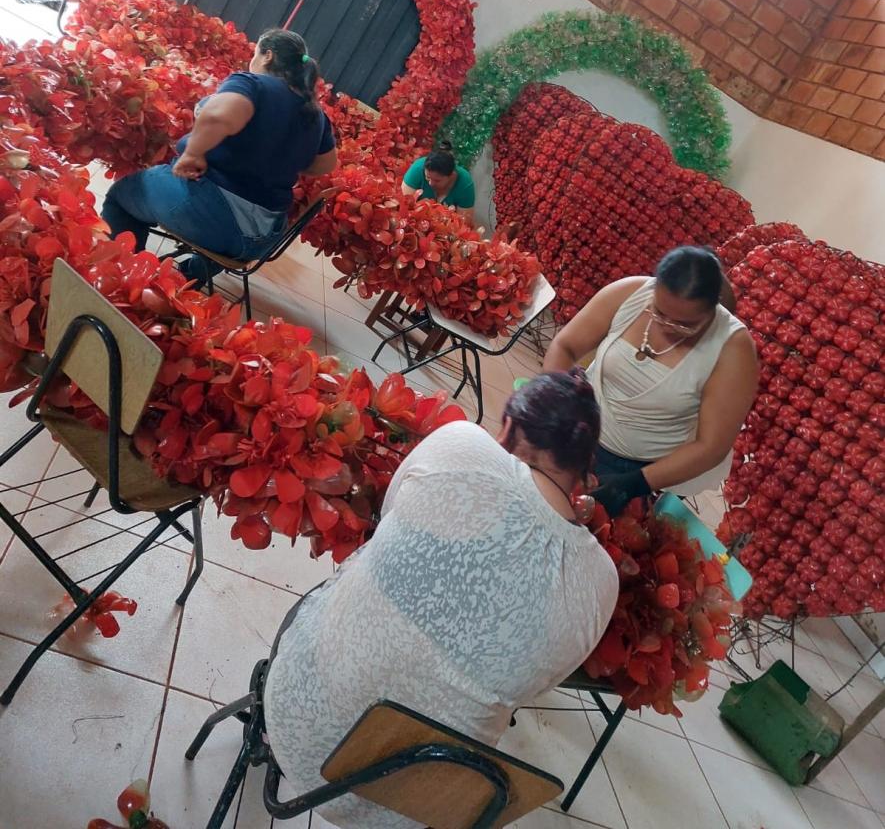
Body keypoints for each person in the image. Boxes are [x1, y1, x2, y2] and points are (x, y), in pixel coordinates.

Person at [264, 370, 618, 829]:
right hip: (417, 799)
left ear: (508, 431)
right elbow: (530, 687)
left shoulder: (463, 445)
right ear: (582, 475)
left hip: (297, 717)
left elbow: (386, 519)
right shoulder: (601, 582)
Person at [102, 29, 337, 279]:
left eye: (255, 53)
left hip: (213, 219)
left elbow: (219, 116)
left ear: (267, 56)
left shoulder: (253, 84)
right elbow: (325, 165)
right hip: (261, 239)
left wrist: (193, 153)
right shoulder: (315, 114)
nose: (252, 60)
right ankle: (186, 278)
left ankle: (127, 280)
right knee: (216, 238)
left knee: (121, 198)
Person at [543, 246, 758, 516]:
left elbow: (710, 446)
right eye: (658, 312)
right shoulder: (630, 292)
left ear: (711, 312)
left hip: (635, 469)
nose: (666, 326)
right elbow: (566, 346)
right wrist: (552, 400)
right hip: (572, 431)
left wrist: (634, 484)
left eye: (683, 325)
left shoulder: (733, 348)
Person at [401, 141, 475, 225]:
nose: (430, 183)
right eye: (427, 178)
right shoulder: (417, 168)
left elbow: (464, 224)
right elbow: (403, 205)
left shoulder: (464, 183)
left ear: (452, 175)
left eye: (437, 180)